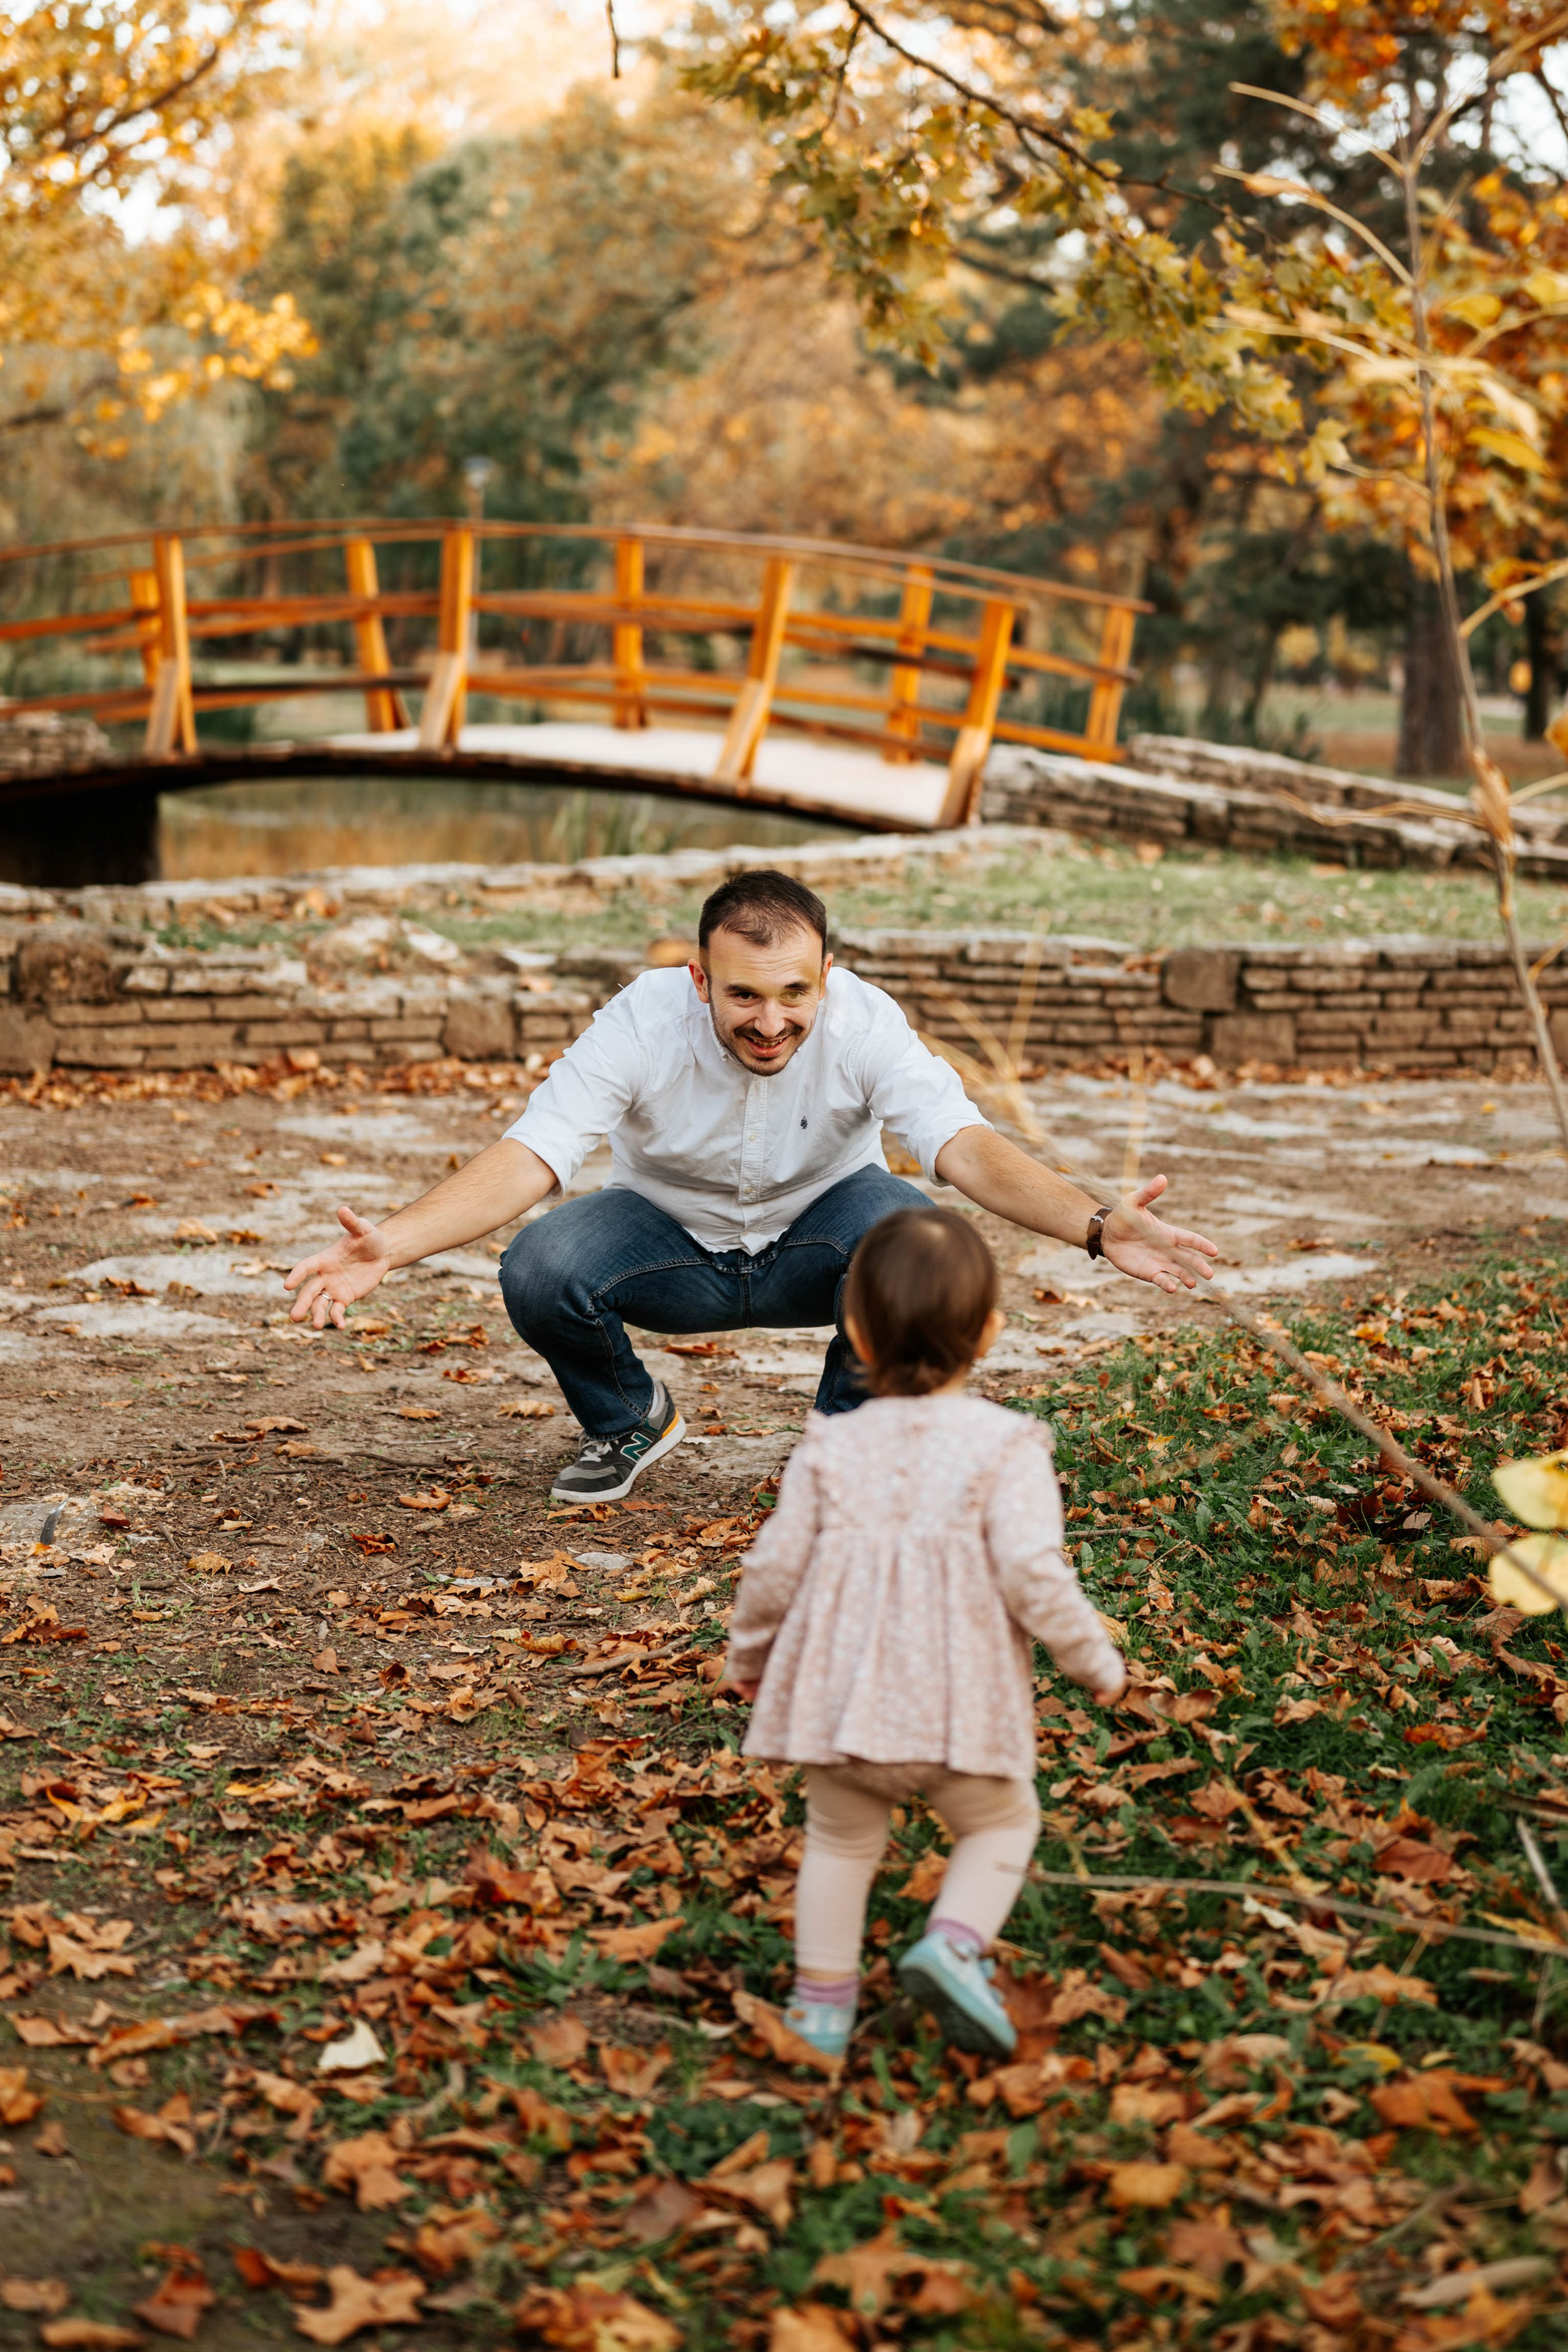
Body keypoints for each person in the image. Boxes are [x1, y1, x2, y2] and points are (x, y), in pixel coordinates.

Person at [283, 868, 1216, 1502]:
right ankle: (630, 1421)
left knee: (919, 1240)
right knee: (539, 1264)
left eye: (794, 994)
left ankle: (842, 1448)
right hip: (671, 1249)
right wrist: (393, 1245)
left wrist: (1098, 1224)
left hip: (823, 1244)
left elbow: (965, 1147)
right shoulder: (641, 1021)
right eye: (744, 996)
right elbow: (534, 1153)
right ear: (700, 980)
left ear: (826, 977)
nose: (771, 1022)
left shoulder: (865, 1023)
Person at [723, 1205, 1126, 2064]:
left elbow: (773, 1570)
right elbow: (1033, 1572)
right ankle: (952, 1945)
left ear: (859, 1336)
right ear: (989, 1332)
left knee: (839, 1843)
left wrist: (748, 1659)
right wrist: (1094, 1660)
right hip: (960, 1712)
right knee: (1001, 1827)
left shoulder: (828, 1448)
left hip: (842, 1711)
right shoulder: (1007, 1448)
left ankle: (820, 2012)